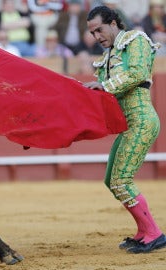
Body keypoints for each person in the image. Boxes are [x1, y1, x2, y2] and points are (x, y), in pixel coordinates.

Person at [83, 6, 166, 253]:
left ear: (113, 23)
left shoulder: (136, 39)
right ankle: (143, 232)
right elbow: (104, 92)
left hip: (141, 119)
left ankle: (155, 233)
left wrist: (103, 86)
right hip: (128, 124)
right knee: (112, 179)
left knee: (121, 180)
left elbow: (137, 73)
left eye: (99, 29)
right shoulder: (107, 58)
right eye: (92, 32)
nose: (97, 36)